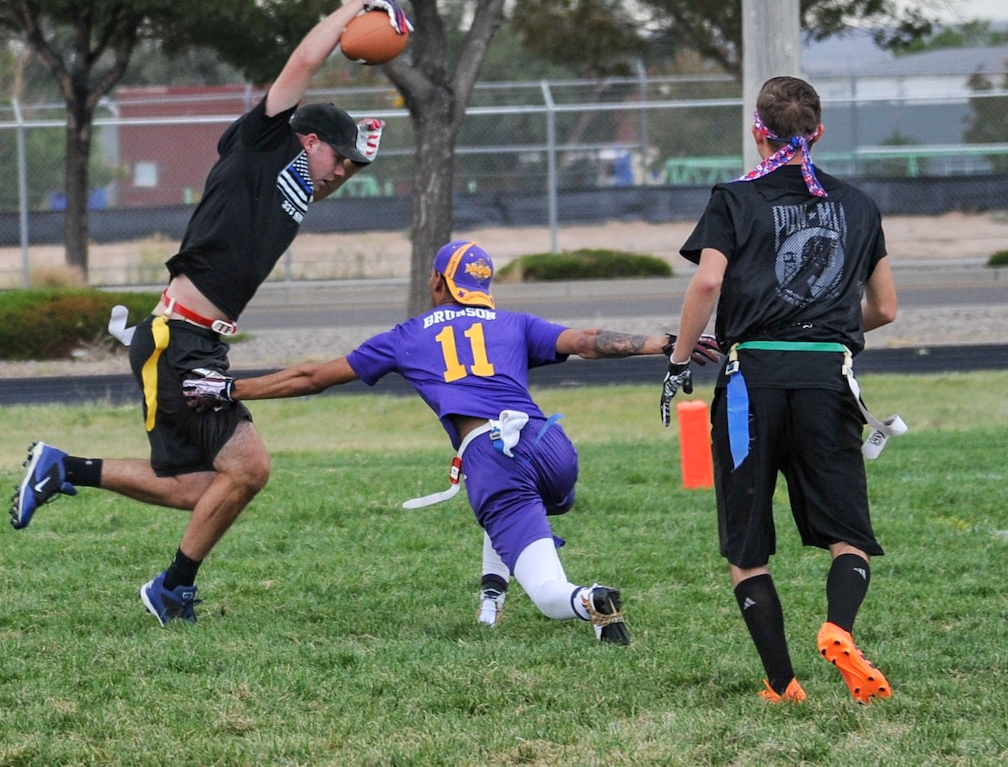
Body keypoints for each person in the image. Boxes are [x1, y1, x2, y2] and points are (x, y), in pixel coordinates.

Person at [8, 0, 408, 624]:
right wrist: (353, 7)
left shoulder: (300, 187)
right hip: (178, 340)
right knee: (249, 468)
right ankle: (172, 588)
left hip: (197, 341)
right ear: (305, 139)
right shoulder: (261, 144)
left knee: (200, 487)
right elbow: (303, 62)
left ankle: (65, 470)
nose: (341, 172)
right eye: (338, 158)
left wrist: (362, 144)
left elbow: (332, 170)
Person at [182, 240, 719, 641]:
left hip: (493, 453)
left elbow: (311, 377)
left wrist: (230, 387)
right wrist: (665, 341)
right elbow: (586, 341)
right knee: (525, 508)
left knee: (551, 589)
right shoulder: (512, 322)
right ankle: (491, 603)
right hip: (551, 443)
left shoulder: (408, 335)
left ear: (438, 283)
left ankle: (587, 599)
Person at [662, 76, 900, 703]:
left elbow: (708, 284)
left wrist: (680, 361)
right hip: (828, 379)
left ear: (757, 131)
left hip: (751, 384)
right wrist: (832, 327)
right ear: (817, 132)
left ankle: (782, 682)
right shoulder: (859, 205)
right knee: (848, 533)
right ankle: (838, 628)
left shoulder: (734, 198)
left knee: (747, 538)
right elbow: (887, 308)